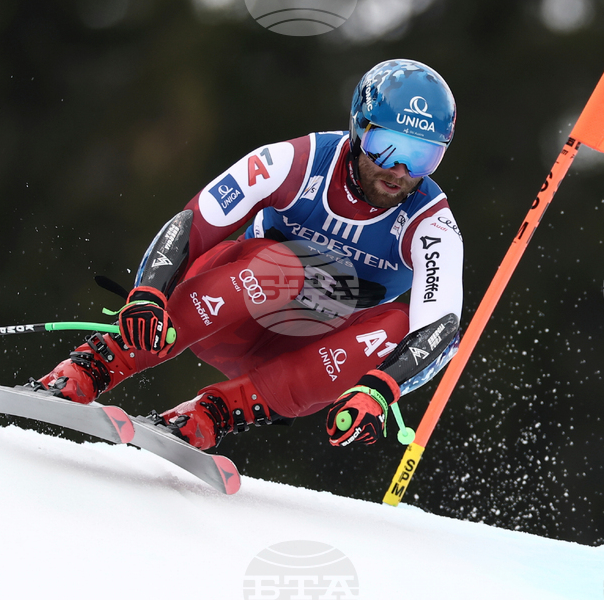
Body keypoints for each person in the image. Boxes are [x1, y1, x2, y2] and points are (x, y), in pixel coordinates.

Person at [29, 58, 464, 451]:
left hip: (301, 359)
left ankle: (212, 413)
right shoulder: (297, 161)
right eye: (387, 145)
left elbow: (440, 329)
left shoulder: (431, 224)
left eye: (422, 156)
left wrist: (380, 389)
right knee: (289, 266)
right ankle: (95, 366)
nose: (400, 169)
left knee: (398, 323)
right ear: (358, 128)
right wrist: (147, 293)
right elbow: (194, 221)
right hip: (225, 314)